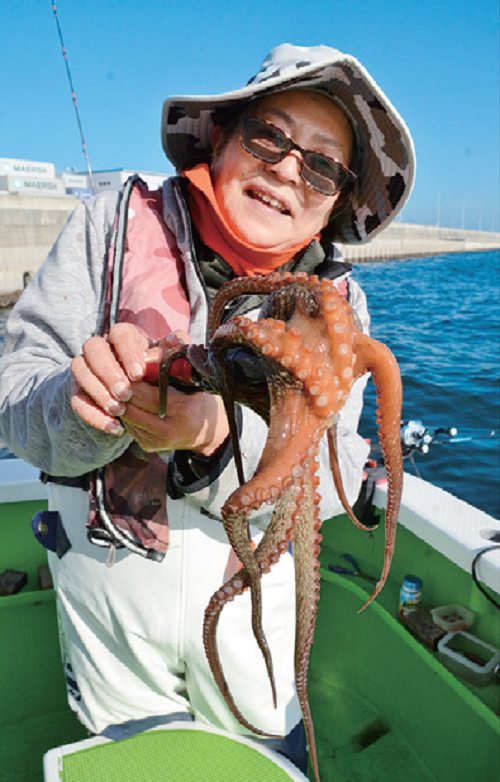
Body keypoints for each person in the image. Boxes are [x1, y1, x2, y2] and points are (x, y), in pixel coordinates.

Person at [0, 44, 415, 768]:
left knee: (256, 752)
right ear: (220, 136)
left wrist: (218, 437)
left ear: (337, 201)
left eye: (322, 164)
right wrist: (78, 406)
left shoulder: (341, 303)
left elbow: (341, 464)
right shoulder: (113, 223)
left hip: (258, 581)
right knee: (132, 757)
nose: (289, 168)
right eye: (270, 137)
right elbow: (15, 392)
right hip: (110, 583)